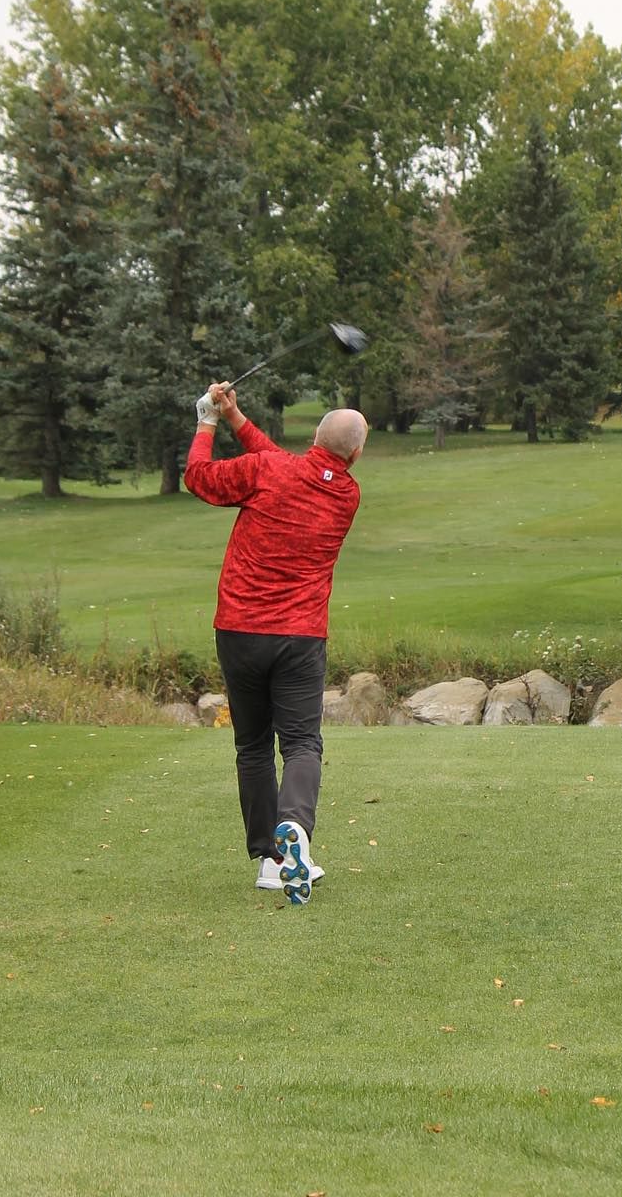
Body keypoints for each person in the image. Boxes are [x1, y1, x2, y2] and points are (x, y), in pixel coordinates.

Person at [184, 383, 367, 905]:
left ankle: (271, 860)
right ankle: (296, 833)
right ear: (354, 455)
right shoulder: (347, 494)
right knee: (303, 744)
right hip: (300, 637)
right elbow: (276, 462)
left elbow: (199, 477)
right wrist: (237, 416)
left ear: (313, 438)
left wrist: (208, 422)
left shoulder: (271, 471)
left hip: (239, 630)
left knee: (252, 746)